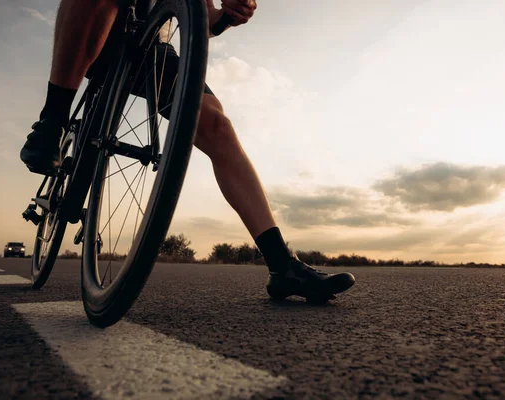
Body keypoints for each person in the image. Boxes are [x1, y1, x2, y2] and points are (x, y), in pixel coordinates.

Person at [19, 0, 356, 302]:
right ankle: (53, 121)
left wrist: (227, 16)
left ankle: (283, 266)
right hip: (101, 27)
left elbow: (205, 20)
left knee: (218, 127)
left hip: (154, 47)